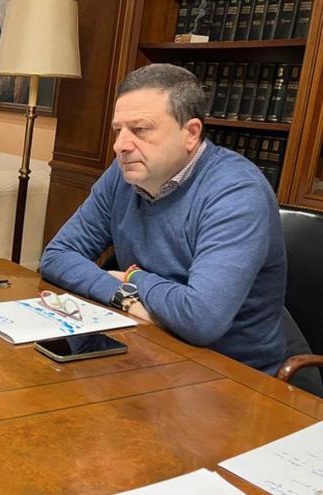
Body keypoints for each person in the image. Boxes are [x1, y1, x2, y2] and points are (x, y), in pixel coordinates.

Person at [40, 63, 288, 374]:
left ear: (191, 133)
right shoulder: (122, 176)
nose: (120, 145)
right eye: (119, 130)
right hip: (144, 345)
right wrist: (125, 297)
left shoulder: (236, 193)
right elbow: (57, 256)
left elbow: (201, 320)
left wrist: (133, 278)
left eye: (140, 130)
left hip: (230, 373)